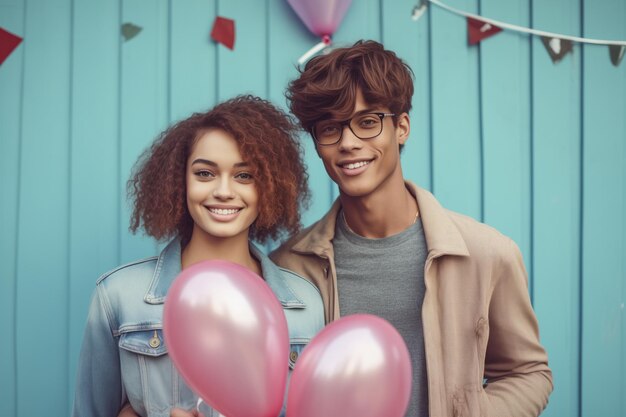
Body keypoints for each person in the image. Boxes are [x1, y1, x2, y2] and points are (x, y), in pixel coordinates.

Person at [270, 40, 553, 417]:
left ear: (401, 127)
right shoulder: (288, 267)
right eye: (330, 128)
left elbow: (528, 372)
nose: (349, 143)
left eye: (368, 122)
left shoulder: (487, 253)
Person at [73, 95, 324, 417]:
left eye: (244, 176)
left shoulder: (306, 303)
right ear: (179, 182)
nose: (223, 190)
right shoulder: (118, 295)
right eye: (205, 173)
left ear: (270, 187)